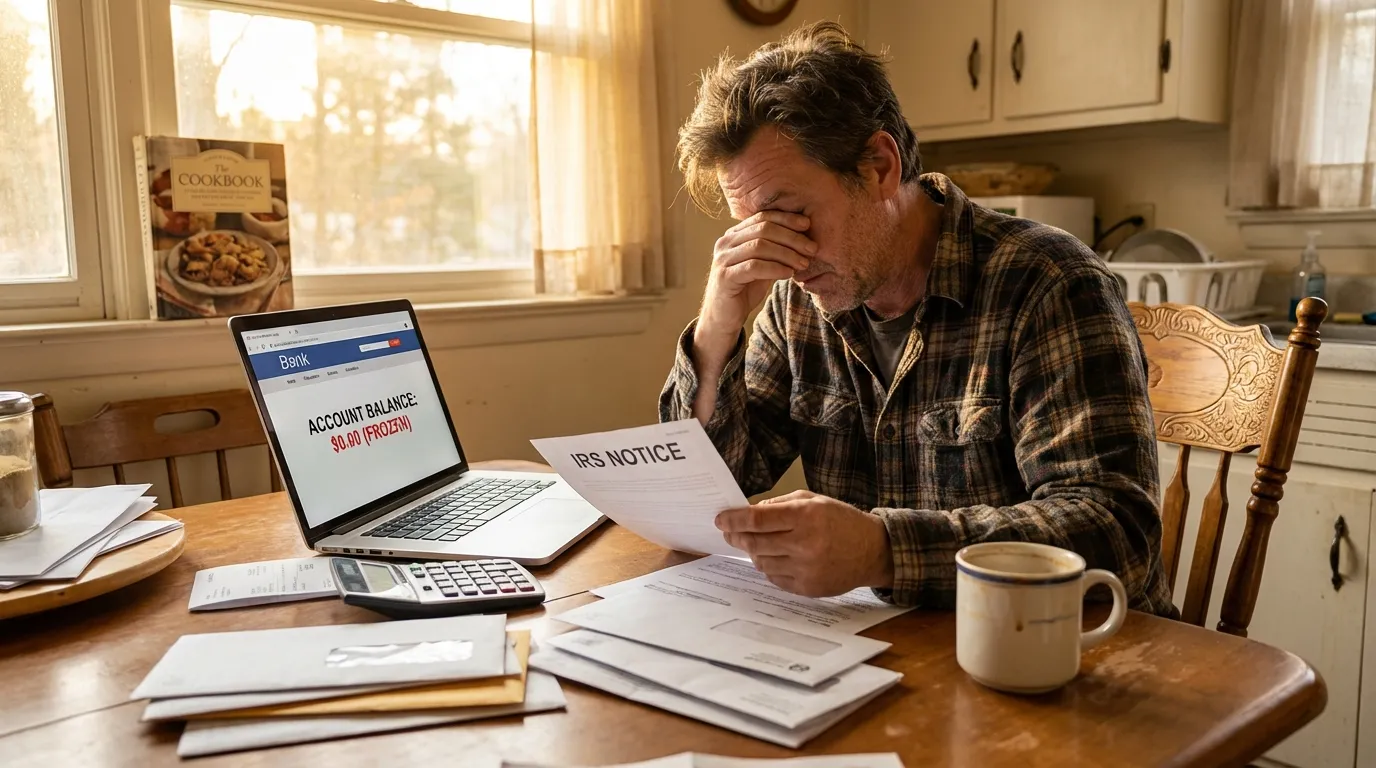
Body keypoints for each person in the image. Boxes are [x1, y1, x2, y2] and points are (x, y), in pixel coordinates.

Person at [658, 21, 1176, 616]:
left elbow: (1116, 532)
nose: (781, 252)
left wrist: (884, 550)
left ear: (879, 165)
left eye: (791, 214)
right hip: (894, 648)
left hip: (1068, 654)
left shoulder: (1050, 282)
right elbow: (712, 487)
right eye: (751, 226)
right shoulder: (796, 301)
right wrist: (717, 326)